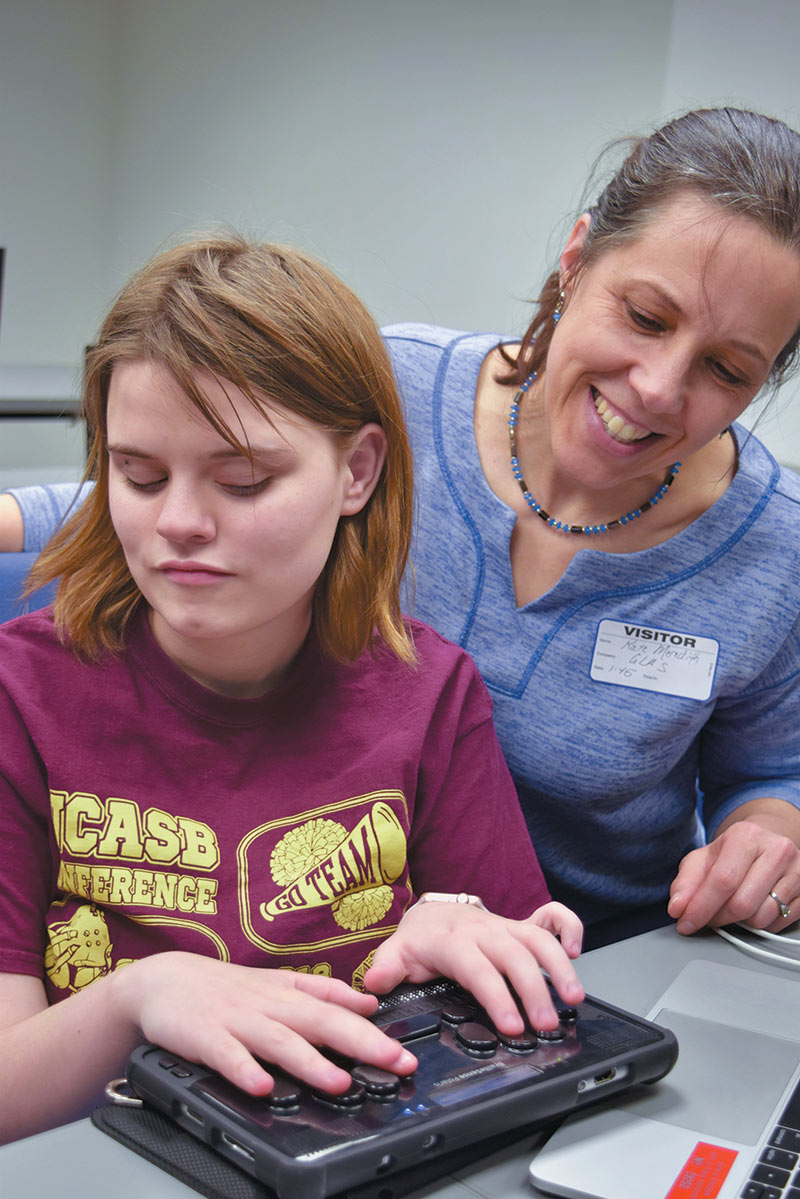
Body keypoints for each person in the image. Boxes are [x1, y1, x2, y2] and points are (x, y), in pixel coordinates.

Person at [7, 106, 800, 949]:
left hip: (600, 950)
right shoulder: (401, 390)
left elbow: (770, 768)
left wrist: (769, 838)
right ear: (575, 261)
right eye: (644, 316)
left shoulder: (773, 551)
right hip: (345, 933)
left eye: (725, 369)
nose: (657, 387)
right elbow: (179, 484)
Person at [0, 237, 583, 1145]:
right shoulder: (20, 696)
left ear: (356, 472)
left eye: (242, 481)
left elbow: (521, 1042)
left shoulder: (430, 695)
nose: (178, 525)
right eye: (138, 475)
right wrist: (138, 1000)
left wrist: (442, 954)